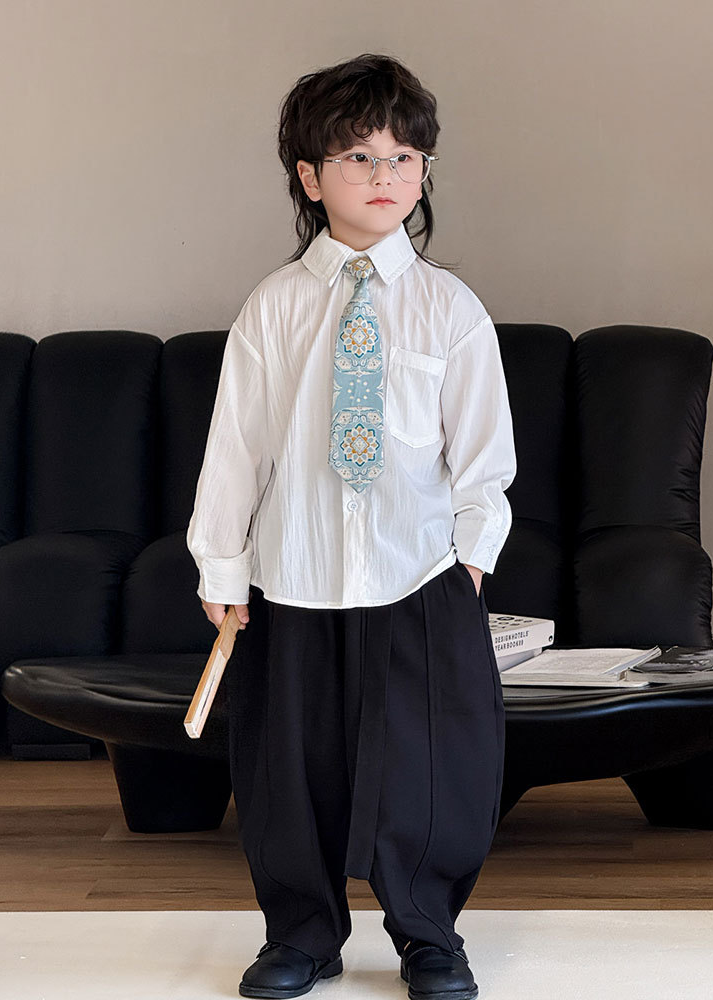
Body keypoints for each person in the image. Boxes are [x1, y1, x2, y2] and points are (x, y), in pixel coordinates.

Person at [187, 52, 517, 1000]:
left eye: (406, 158)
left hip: (420, 577)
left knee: (433, 767)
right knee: (288, 769)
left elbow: (483, 456)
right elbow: (237, 449)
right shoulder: (274, 307)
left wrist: (470, 559)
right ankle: (301, 935)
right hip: (295, 576)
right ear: (309, 176)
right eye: (360, 157)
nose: (386, 176)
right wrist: (222, 566)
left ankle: (430, 935)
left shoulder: (450, 309)